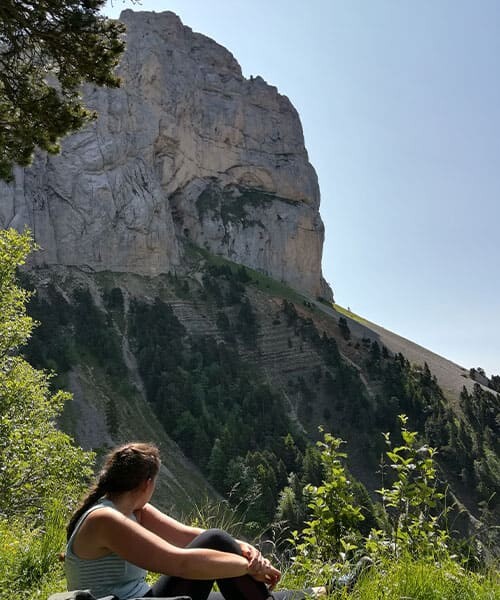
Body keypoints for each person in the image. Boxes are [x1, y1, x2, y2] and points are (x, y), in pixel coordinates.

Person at [65, 442, 315, 600]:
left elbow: (189, 536)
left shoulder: (133, 510)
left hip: (143, 596)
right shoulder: (105, 519)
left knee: (219, 554)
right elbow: (179, 563)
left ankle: (319, 592)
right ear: (147, 483)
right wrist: (247, 566)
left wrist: (245, 549)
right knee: (216, 540)